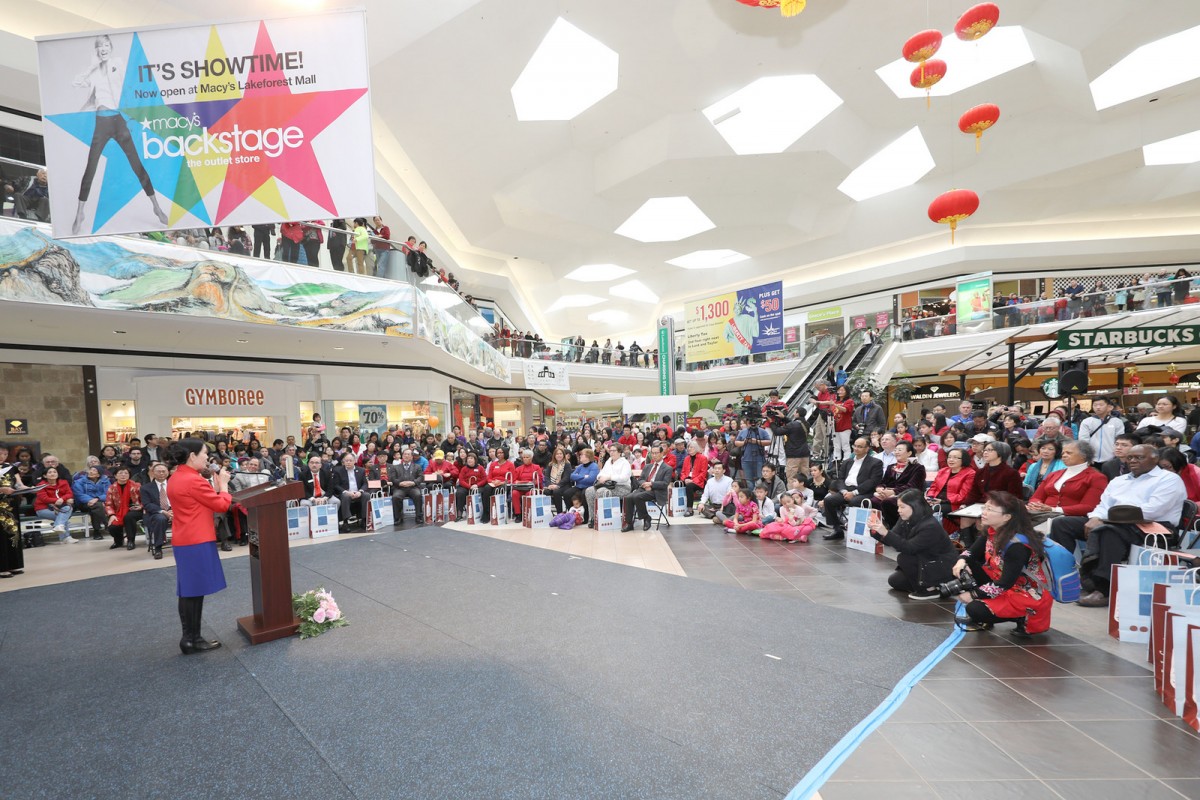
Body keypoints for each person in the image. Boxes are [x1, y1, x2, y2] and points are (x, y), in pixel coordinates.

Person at [1064, 445, 1188, 606]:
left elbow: (1152, 510)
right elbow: (1103, 505)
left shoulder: (1168, 479)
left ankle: (1103, 589)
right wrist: (1095, 517)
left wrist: (1105, 518)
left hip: (1155, 528)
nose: (1133, 461)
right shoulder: (1119, 480)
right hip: (1114, 523)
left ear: (1155, 459)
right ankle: (1070, 578)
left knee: (1109, 532)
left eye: (1139, 457)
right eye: (1130, 457)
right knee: (1064, 524)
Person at [71, 35, 169, 235]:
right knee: (90, 167)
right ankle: (80, 212)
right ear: (96, 50)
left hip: (118, 120)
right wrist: (92, 68)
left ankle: (156, 206)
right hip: (102, 123)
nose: (103, 49)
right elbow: (76, 83)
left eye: (106, 45)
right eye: (100, 46)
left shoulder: (117, 64)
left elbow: (127, 86)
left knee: (137, 165)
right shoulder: (94, 72)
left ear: (111, 47)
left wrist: (132, 116)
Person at [949, 491, 1053, 636]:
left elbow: (1005, 583)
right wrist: (961, 561)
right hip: (1005, 582)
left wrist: (973, 594)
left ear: (1007, 517)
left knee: (974, 609)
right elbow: (971, 552)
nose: (984, 513)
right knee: (964, 566)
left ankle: (1022, 616)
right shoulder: (993, 530)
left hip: (1026, 593)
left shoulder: (1017, 546)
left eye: (990, 510)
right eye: (984, 507)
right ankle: (992, 607)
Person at [166, 439, 232, 654]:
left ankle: (191, 637)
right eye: (205, 453)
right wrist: (223, 485)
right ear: (192, 456)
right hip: (197, 539)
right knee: (193, 592)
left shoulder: (177, 476)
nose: (207, 457)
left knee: (189, 591)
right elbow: (221, 504)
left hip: (185, 538)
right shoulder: (194, 480)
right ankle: (191, 639)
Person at [868, 489, 957, 598]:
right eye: (898, 507)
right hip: (924, 559)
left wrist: (886, 533)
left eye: (902, 507)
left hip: (939, 564)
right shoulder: (905, 519)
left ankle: (929, 590)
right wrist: (876, 532)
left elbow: (909, 548)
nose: (899, 510)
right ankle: (930, 584)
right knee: (895, 581)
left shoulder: (930, 525)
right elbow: (893, 537)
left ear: (915, 506)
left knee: (904, 558)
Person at [1027, 440, 1107, 528]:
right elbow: (1036, 497)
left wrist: (1053, 509)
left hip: (1070, 519)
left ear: (1083, 456)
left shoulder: (1096, 477)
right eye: (1063, 453)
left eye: (1069, 453)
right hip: (1042, 514)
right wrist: (1036, 505)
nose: (1064, 456)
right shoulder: (1054, 474)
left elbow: (1089, 507)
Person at [821, 437, 884, 540]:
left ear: (867, 448)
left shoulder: (875, 462)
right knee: (828, 500)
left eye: (860, 447)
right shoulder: (847, 461)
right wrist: (844, 491)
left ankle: (857, 532)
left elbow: (872, 482)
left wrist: (854, 492)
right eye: (855, 445)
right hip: (846, 489)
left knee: (854, 501)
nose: (856, 448)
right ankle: (837, 529)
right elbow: (840, 479)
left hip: (863, 491)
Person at [871, 441, 927, 527]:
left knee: (887, 502)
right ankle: (883, 527)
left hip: (909, 496)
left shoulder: (918, 468)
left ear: (909, 453)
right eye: (895, 450)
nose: (896, 452)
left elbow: (913, 487)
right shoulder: (891, 467)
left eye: (900, 450)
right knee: (874, 500)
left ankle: (896, 528)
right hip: (890, 495)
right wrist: (880, 488)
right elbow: (883, 482)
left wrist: (893, 492)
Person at [622, 445, 671, 531]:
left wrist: (651, 484)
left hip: (657, 491)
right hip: (644, 489)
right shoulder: (647, 466)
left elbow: (665, 483)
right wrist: (644, 484)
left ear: (662, 453)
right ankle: (629, 523)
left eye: (656, 453)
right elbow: (640, 479)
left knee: (637, 497)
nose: (654, 455)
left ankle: (646, 518)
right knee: (628, 497)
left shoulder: (667, 468)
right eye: (652, 453)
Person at [587, 443, 632, 528]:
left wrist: (609, 477)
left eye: (614, 451)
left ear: (619, 452)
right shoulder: (608, 461)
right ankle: (593, 518)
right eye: (610, 450)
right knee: (589, 491)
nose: (611, 453)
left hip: (622, 487)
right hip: (608, 485)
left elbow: (624, 478)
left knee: (601, 492)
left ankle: (603, 519)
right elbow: (601, 473)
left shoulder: (624, 463)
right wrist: (600, 477)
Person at [104, 465, 143, 552]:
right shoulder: (112, 488)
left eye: (126, 473)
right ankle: (118, 541)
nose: (123, 475)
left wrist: (141, 506)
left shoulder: (136, 486)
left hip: (135, 509)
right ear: (115, 475)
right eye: (120, 473)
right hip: (118, 511)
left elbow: (144, 500)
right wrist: (112, 514)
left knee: (129, 517)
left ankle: (131, 541)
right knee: (112, 527)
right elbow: (108, 504)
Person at [1077, 396, 1125, 463]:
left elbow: (1119, 439)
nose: (1098, 407)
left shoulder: (1117, 422)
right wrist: (1088, 457)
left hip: (1112, 459)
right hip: (1092, 460)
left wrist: (1117, 456)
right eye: (1095, 405)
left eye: (1101, 405)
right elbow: (1083, 440)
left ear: (1109, 407)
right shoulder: (1086, 421)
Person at [0, 445, 24, 578]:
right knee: (1, 536)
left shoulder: (11, 467)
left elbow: (19, 484)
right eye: (0, 453)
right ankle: (2, 567)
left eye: (5, 454)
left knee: (13, 533)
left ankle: (14, 565)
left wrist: (30, 488)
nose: (2, 456)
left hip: (11, 504)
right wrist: (1, 490)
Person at [35, 467, 75, 543]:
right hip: (43, 509)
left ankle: (58, 526)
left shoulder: (64, 482)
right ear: (45, 476)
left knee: (68, 508)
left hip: (59, 507)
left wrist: (62, 499)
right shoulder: (40, 485)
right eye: (50, 472)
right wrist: (57, 500)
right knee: (62, 517)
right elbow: (44, 498)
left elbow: (69, 493)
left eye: (54, 472)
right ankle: (65, 537)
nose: (53, 473)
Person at [331, 453, 369, 531]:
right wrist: (345, 492)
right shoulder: (338, 470)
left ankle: (364, 519)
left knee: (366, 495)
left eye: (350, 460)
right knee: (345, 497)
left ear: (355, 461)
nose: (348, 462)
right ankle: (345, 522)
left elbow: (365, 483)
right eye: (346, 461)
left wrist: (360, 491)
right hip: (346, 493)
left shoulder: (361, 470)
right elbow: (336, 485)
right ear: (343, 462)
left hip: (358, 492)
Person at [388, 449, 425, 525]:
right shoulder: (395, 467)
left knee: (418, 495)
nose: (406, 456)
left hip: (413, 487)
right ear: (402, 456)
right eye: (405, 454)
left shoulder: (417, 466)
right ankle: (398, 518)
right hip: (400, 487)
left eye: (408, 454)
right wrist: (400, 483)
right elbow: (392, 478)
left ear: (412, 457)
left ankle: (419, 517)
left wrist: (413, 482)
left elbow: (421, 477)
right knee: (396, 497)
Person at [734, 418, 771, 483]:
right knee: (748, 480)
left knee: (760, 479)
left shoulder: (762, 431)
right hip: (746, 459)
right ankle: (751, 492)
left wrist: (757, 441)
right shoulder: (743, 431)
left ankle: (759, 492)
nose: (752, 424)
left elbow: (769, 442)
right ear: (747, 423)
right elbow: (736, 443)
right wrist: (744, 442)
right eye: (750, 422)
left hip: (759, 459)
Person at [569, 449, 599, 523]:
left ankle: (585, 517)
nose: (580, 456)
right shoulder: (580, 466)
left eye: (582, 454)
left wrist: (578, 477)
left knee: (584, 494)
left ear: (588, 456)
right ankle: (571, 514)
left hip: (589, 487)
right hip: (579, 486)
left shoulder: (594, 466)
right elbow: (572, 476)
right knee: (567, 493)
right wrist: (584, 476)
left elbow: (591, 479)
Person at [542, 447, 574, 514]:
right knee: (546, 492)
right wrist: (549, 485)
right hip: (552, 484)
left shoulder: (567, 464)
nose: (559, 455)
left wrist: (557, 485)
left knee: (556, 492)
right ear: (554, 455)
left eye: (560, 454)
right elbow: (546, 476)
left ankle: (559, 513)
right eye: (557, 454)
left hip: (565, 485)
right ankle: (547, 513)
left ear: (563, 455)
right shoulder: (550, 464)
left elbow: (566, 478)